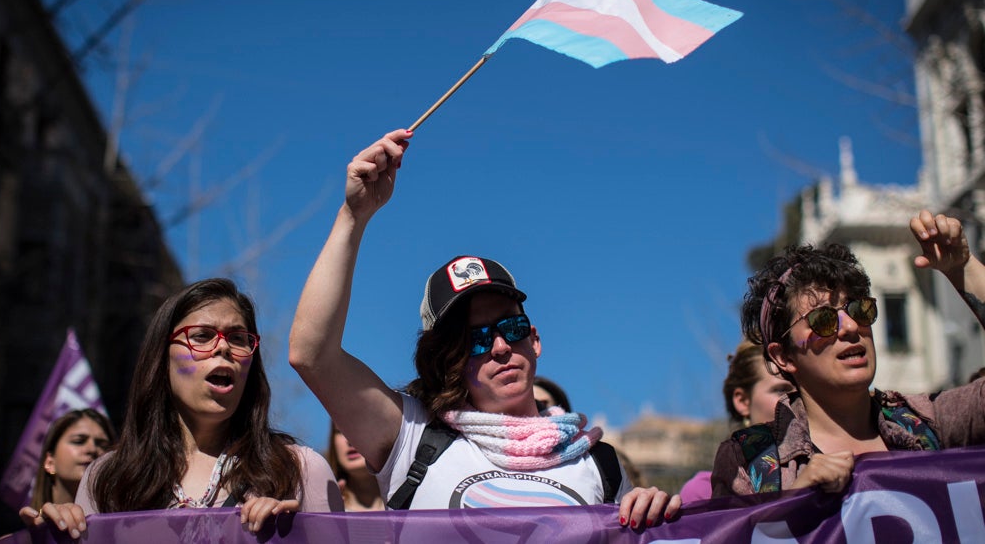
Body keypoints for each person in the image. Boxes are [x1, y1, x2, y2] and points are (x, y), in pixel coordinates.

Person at [289, 129, 679, 529]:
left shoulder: (599, 463)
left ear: (535, 340)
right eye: (474, 340)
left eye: (511, 328)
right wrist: (354, 216)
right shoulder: (412, 438)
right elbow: (311, 354)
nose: (499, 347)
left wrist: (653, 515)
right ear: (447, 361)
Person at [32, 278, 342, 540]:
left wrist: (295, 536)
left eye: (238, 339)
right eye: (202, 337)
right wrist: (57, 536)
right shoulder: (108, 478)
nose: (222, 348)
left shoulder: (300, 471)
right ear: (161, 358)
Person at [712, 210, 985, 496]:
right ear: (784, 357)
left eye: (859, 310)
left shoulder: (930, 421)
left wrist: (964, 268)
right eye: (823, 320)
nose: (852, 327)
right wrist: (792, 504)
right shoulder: (748, 461)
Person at [678, 341, 793, 503]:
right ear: (743, 401)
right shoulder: (703, 493)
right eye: (781, 390)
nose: (796, 399)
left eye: (801, 389)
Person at [18, 409, 115, 525]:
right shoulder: (26, 535)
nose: (92, 449)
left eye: (102, 445)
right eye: (79, 441)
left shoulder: (123, 524)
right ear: (50, 462)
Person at [326, 424, 384, 511]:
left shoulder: (410, 503)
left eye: (360, 428)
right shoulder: (322, 509)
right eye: (340, 431)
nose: (349, 439)